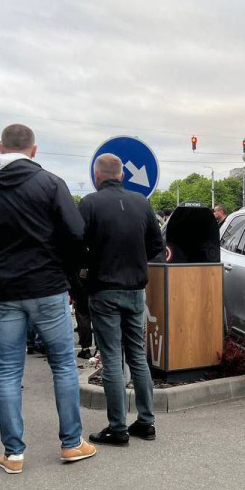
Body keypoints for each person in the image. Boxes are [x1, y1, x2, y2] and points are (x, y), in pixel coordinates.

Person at [0, 124, 95, 474]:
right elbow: (77, 233)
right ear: (33, 150)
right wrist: (60, 266)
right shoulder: (51, 183)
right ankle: (71, 444)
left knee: (7, 371)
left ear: (0, 147)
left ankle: (14, 453)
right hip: (48, 287)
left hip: (4, 292)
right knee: (63, 365)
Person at [79, 153, 165, 446]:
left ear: (97, 175)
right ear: (122, 175)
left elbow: (77, 245)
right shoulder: (142, 203)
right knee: (138, 355)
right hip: (135, 290)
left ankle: (117, 428)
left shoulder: (90, 203)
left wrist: (89, 265)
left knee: (113, 358)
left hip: (104, 290)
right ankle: (146, 421)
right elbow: (157, 245)